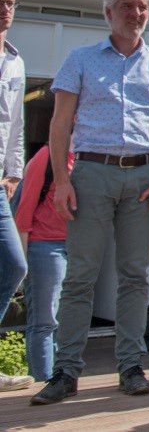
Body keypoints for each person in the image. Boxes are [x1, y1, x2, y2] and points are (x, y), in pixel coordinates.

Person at [32, 0, 149, 407]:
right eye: (126, 6)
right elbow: (60, 123)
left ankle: (131, 365)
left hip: (144, 176)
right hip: (91, 175)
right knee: (80, 275)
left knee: (135, 275)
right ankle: (65, 372)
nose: (135, 14)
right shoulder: (79, 58)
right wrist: (62, 182)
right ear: (108, 12)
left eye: (142, 7)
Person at [14, 144, 71, 386]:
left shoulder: (89, 159)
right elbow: (24, 209)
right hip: (45, 246)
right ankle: (43, 382)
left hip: (76, 246)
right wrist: (22, 262)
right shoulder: (47, 155)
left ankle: (58, 380)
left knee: (64, 321)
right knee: (45, 321)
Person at [0, 0, 25, 359]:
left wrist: (14, 171)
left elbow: (15, 122)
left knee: (13, 266)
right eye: (0, 2)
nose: (6, 8)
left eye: (9, 2)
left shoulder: (15, 59)